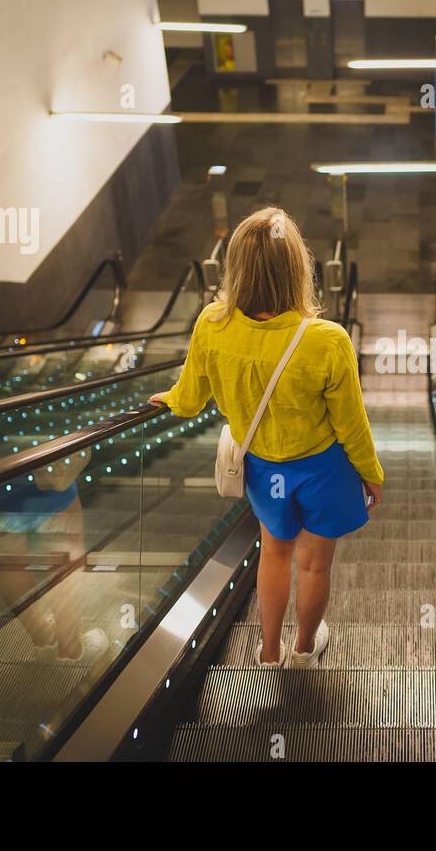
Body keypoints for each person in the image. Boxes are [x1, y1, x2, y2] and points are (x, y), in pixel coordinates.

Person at [149, 207, 383, 669]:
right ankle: (304, 650)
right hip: (322, 469)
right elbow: (350, 424)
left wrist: (169, 400)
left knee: (273, 554)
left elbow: (190, 398)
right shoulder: (326, 340)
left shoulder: (213, 325)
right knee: (315, 564)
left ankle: (270, 652)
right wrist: (371, 474)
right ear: (298, 269)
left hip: (263, 469)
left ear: (236, 267)